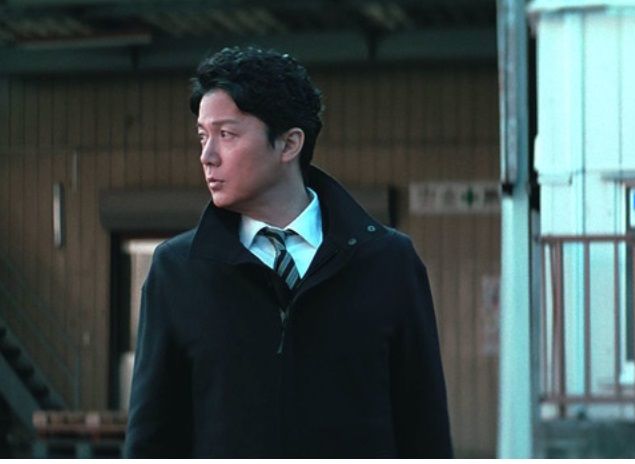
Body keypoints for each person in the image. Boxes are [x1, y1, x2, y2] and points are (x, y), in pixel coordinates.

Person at [124, 46, 452, 458]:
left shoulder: (388, 262)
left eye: (226, 135)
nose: (207, 156)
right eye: (203, 137)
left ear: (289, 143)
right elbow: (153, 439)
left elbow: (423, 428)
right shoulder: (178, 270)